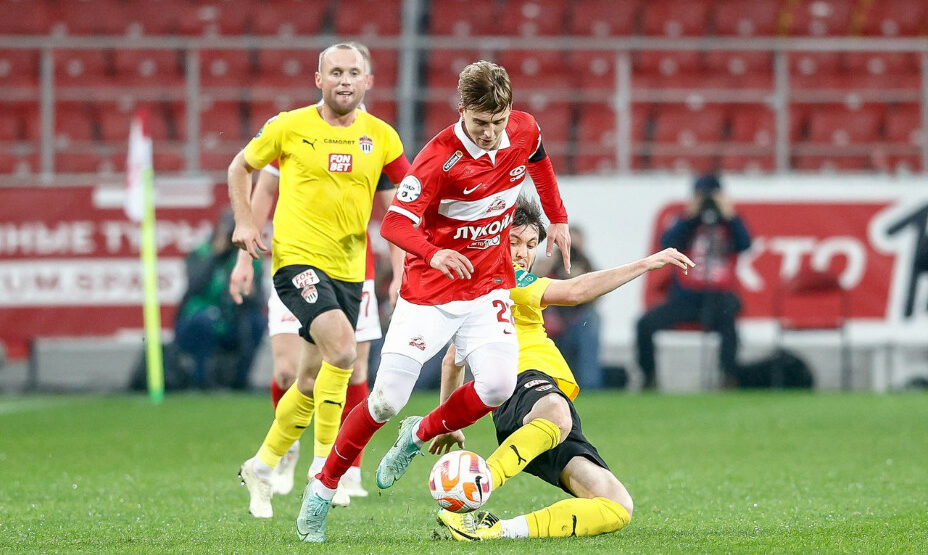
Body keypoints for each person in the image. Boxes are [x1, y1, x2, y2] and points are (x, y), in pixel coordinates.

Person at [296, 60, 572, 543]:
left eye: (498, 121)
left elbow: (540, 162)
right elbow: (394, 224)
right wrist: (434, 252)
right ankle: (322, 488)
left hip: (488, 287)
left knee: (498, 385)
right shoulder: (438, 158)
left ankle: (418, 434)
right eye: (480, 122)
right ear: (461, 109)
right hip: (430, 293)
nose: (490, 132)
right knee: (385, 400)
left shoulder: (523, 129)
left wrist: (558, 218)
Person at [432, 197, 693, 541]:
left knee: (616, 505)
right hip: (525, 389)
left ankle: (494, 530)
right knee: (557, 412)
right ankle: (480, 482)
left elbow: (453, 359)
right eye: (513, 242)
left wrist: (448, 422)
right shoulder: (505, 279)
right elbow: (575, 291)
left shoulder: (484, 291)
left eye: (530, 245)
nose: (522, 253)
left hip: (540, 419)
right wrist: (646, 263)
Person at [229, 42, 410, 519]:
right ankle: (323, 470)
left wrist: (404, 268)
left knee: (309, 380)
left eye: (353, 73)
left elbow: (402, 205)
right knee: (345, 353)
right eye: (335, 72)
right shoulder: (288, 126)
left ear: (367, 81)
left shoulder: (382, 137)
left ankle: (261, 466)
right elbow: (240, 167)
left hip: (350, 272)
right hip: (297, 263)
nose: (344, 80)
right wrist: (245, 223)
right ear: (319, 80)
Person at [636, 174, 752, 389]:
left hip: (720, 297)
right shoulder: (686, 222)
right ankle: (648, 377)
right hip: (686, 298)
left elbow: (745, 244)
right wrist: (690, 216)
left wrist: (729, 214)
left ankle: (729, 377)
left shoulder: (730, 224)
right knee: (645, 324)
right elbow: (667, 242)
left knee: (729, 324)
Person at [174, 209, 266, 390]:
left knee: (256, 322)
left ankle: (240, 381)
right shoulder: (202, 252)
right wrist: (216, 256)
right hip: (200, 318)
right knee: (203, 322)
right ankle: (201, 381)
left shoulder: (250, 258)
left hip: (234, 319)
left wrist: (249, 292)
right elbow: (194, 287)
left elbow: (259, 300)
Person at [542, 227, 604, 389]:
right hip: (554, 318)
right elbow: (533, 284)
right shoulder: (550, 264)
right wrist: (550, 263)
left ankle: (590, 384)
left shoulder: (587, 264)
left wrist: (579, 278)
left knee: (592, 319)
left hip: (579, 319)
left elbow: (599, 294)